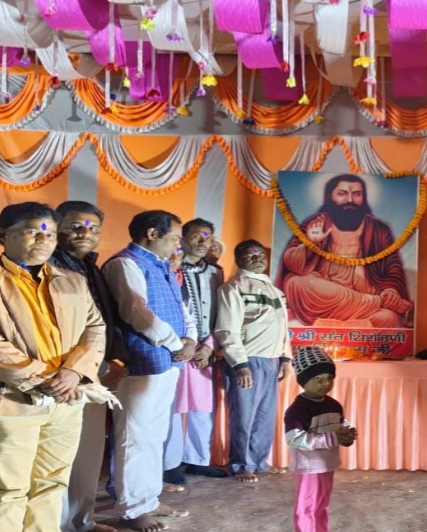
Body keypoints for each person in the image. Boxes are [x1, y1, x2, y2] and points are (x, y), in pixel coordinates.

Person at [0, 202, 106, 532]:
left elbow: (95, 328)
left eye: (50, 234)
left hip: (68, 398)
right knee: (8, 488)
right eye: (32, 232)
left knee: (52, 483)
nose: (43, 240)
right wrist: (45, 379)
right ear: (3, 235)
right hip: (12, 398)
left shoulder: (72, 280)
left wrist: (73, 372)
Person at [103, 210, 197, 532]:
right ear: (152, 234)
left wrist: (190, 340)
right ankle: (132, 509)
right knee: (134, 437)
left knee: (155, 436)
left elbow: (181, 309)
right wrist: (176, 343)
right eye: (173, 238)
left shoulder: (162, 265)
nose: (177, 245)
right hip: (140, 362)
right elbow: (136, 312)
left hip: (167, 361)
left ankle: (149, 499)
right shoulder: (124, 263)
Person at [51, 201, 128, 532]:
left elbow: (108, 321)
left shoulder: (92, 267)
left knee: (88, 452)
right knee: (58, 455)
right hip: (62, 375)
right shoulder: (46, 265)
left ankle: (81, 521)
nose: (86, 233)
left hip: (96, 374)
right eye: (76, 226)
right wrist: (82, 367)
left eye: (93, 228)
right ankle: (55, 524)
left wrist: (116, 360)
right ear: (56, 227)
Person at [275, 174, 413, 328]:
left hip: (364, 290)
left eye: (357, 194)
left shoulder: (378, 229)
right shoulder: (316, 223)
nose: (350, 199)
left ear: (364, 198)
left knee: (387, 318)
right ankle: (377, 302)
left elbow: (392, 266)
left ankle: (353, 314)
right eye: (342, 193)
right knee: (296, 283)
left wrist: (390, 290)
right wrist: (311, 243)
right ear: (330, 197)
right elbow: (292, 265)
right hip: (323, 292)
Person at [214, 240, 292, 483]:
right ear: (239, 259)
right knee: (243, 415)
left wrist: (285, 357)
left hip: (271, 361)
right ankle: (240, 464)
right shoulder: (233, 288)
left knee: (265, 417)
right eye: (251, 255)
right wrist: (239, 364)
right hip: (248, 360)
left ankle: (259, 462)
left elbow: (284, 328)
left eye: (261, 255)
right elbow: (227, 330)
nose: (258, 259)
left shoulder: (275, 291)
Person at [162, 219, 228, 489]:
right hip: (176, 349)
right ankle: (169, 463)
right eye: (197, 236)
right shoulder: (169, 267)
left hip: (204, 351)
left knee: (203, 408)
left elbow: (222, 313)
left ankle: (198, 459)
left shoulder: (215, 273)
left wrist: (210, 345)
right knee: (172, 408)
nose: (203, 242)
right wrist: (181, 344)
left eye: (208, 237)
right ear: (182, 239)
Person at [284, 346, 357, 532]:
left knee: (322, 505)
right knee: (306, 507)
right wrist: (333, 438)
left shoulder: (334, 405)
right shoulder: (298, 409)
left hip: (327, 464)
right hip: (308, 467)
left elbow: (341, 425)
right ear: (303, 380)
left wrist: (347, 435)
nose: (326, 383)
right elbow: (295, 439)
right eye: (318, 378)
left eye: (330, 377)